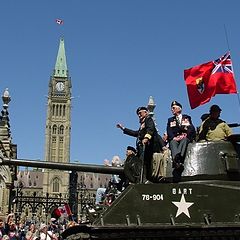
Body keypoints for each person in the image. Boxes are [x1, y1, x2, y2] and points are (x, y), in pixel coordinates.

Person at [117, 106, 164, 183]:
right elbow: (136, 133)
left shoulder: (148, 120)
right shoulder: (142, 124)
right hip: (141, 148)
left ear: (146, 113)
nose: (139, 115)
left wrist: (146, 138)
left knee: (143, 163)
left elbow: (150, 129)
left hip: (148, 148)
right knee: (138, 163)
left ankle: (144, 180)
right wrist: (123, 129)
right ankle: (141, 179)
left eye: (140, 113)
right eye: (138, 114)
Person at [167, 100, 196, 182]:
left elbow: (191, 128)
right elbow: (169, 130)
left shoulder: (186, 118)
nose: (172, 110)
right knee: (172, 143)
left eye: (173, 108)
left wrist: (186, 134)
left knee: (184, 140)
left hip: (184, 137)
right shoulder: (170, 120)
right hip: (176, 138)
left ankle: (178, 157)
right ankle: (176, 159)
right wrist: (173, 137)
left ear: (179, 109)